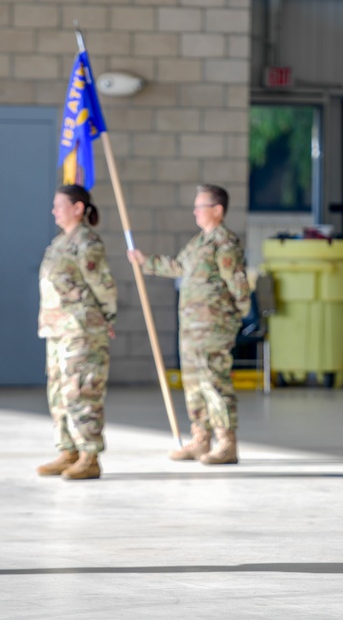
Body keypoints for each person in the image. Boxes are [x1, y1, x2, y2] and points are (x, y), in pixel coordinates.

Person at [128, 185, 250, 465]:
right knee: (194, 385)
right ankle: (200, 439)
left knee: (214, 382)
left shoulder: (225, 243)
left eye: (200, 206)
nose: (195, 211)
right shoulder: (197, 244)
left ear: (217, 210)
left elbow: (238, 285)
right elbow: (177, 267)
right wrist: (145, 262)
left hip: (213, 328)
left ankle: (226, 443)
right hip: (191, 329)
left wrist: (234, 319)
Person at [36, 185, 117, 481]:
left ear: (78, 208)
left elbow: (103, 285)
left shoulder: (87, 242)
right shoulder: (60, 242)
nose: (54, 211)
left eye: (60, 205)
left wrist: (107, 316)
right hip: (57, 330)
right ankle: (68, 450)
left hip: (82, 329)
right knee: (59, 392)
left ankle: (89, 455)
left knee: (82, 390)